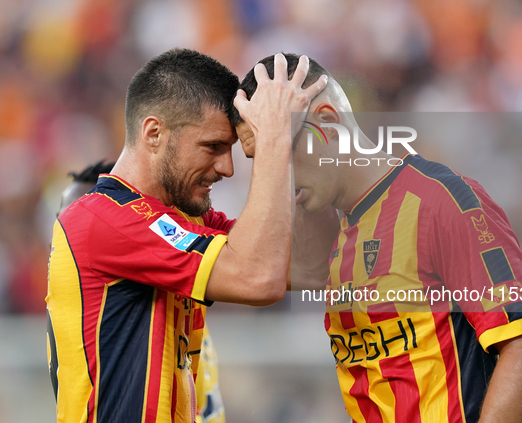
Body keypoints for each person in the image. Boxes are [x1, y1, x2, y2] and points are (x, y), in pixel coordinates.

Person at [233, 54, 522, 423]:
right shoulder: (330, 232)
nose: (273, 171)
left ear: (327, 121)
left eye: (280, 148)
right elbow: (260, 273)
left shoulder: (439, 201)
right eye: (261, 158)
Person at [46, 49, 327, 422]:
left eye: (229, 151)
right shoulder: (102, 220)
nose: (227, 168)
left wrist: (296, 151)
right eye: (212, 147)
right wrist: (274, 141)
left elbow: (309, 264)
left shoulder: (181, 218)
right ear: (154, 133)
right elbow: (259, 278)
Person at [56, 160, 225, 423]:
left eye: (69, 221)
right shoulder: (76, 310)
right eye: (60, 221)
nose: (62, 237)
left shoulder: (171, 326)